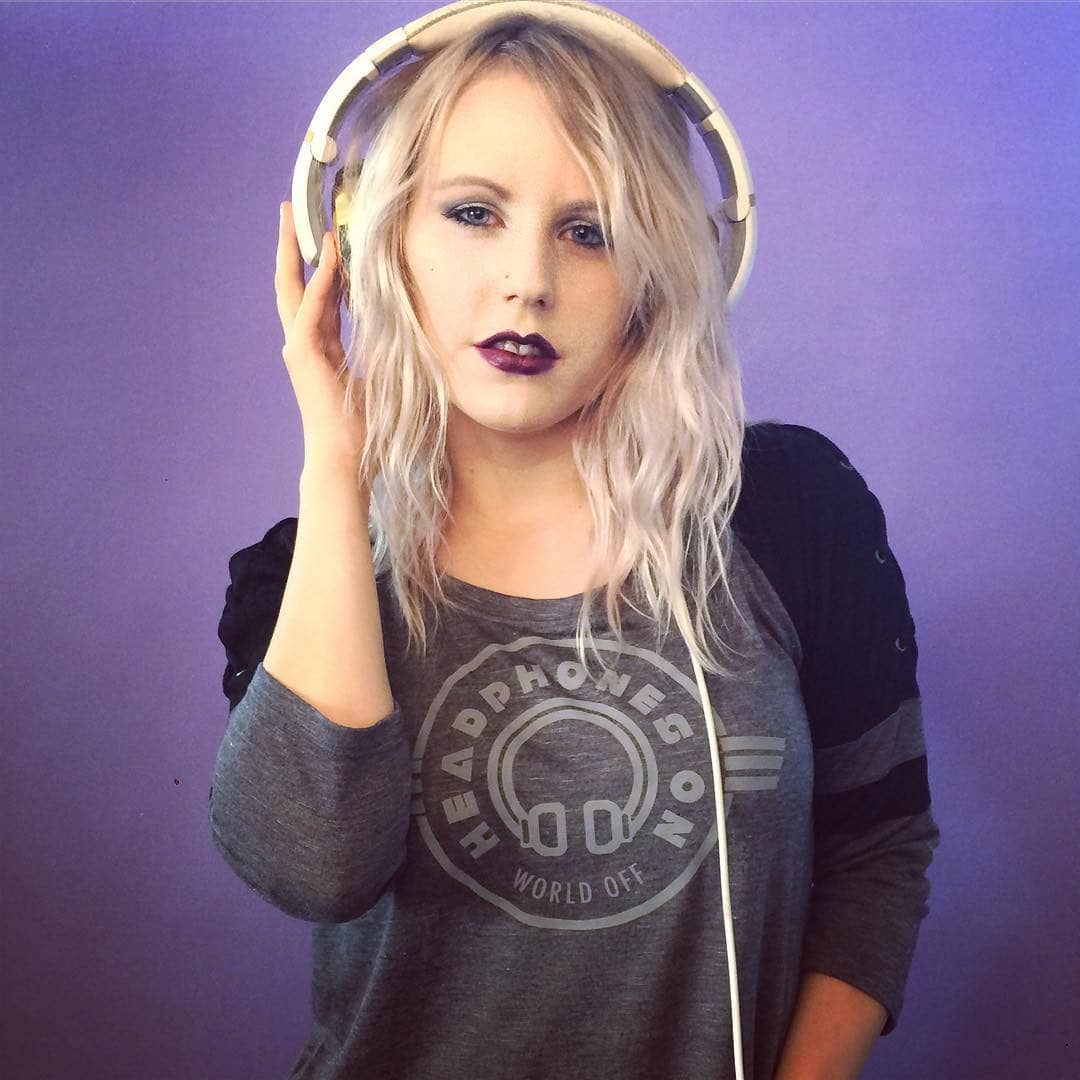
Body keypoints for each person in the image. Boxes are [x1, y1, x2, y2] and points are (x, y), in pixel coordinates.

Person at [209, 12, 940, 1080]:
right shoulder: (304, 571)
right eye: (473, 213)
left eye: (589, 231)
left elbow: (877, 851)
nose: (529, 282)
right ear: (374, 241)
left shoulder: (786, 510)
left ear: (656, 271)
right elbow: (316, 869)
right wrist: (335, 459)